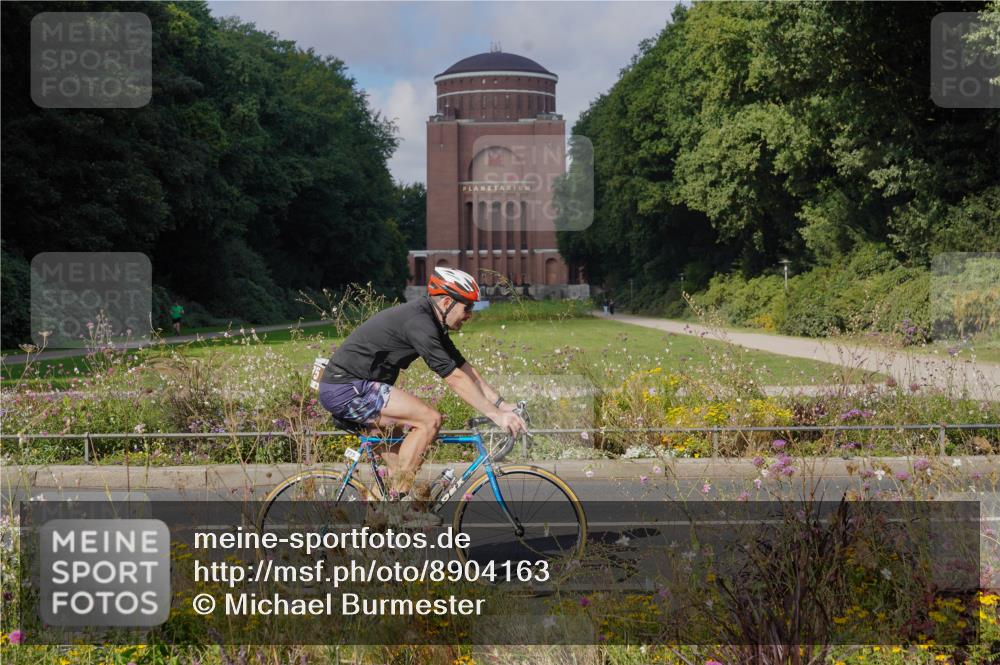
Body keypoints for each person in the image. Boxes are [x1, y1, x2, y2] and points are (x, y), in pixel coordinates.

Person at [317, 267, 527, 525]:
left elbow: (463, 368)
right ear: (447, 302)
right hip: (346, 387)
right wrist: (496, 416)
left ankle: (376, 529)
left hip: (355, 387)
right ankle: (399, 507)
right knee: (429, 420)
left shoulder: (433, 321)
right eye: (468, 307)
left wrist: (501, 405)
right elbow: (454, 378)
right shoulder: (419, 322)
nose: (470, 315)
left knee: (398, 469)